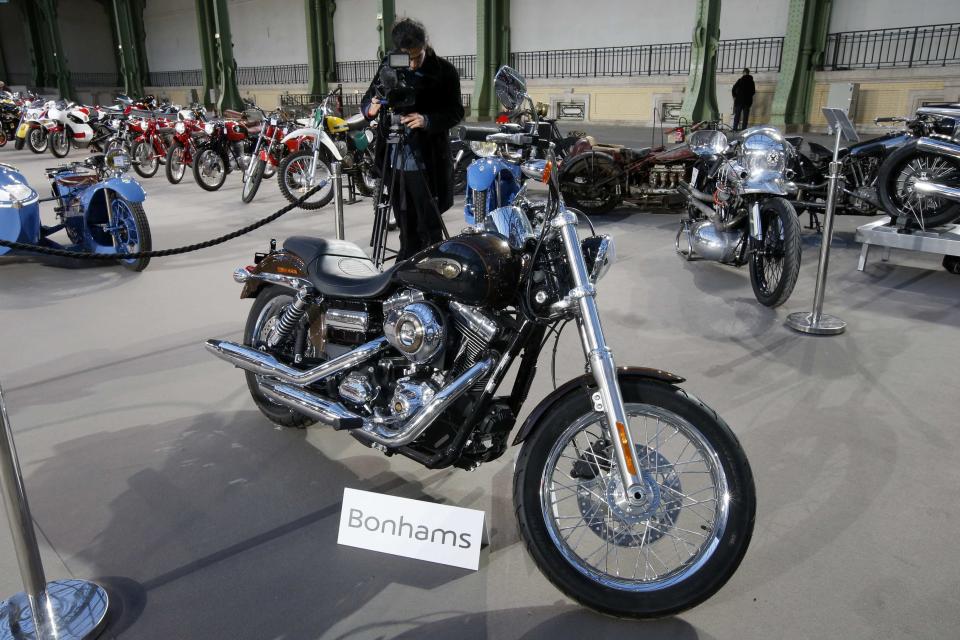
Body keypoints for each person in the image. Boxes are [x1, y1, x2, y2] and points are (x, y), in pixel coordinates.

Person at [361, 18, 464, 260]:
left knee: (428, 217)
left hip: (425, 155)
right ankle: (406, 257)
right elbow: (368, 100)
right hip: (393, 153)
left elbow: (456, 112)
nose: (414, 63)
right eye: (408, 58)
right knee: (403, 213)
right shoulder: (388, 67)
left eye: (418, 56)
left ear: (425, 45)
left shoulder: (444, 72)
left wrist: (427, 120)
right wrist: (371, 108)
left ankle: (433, 261)